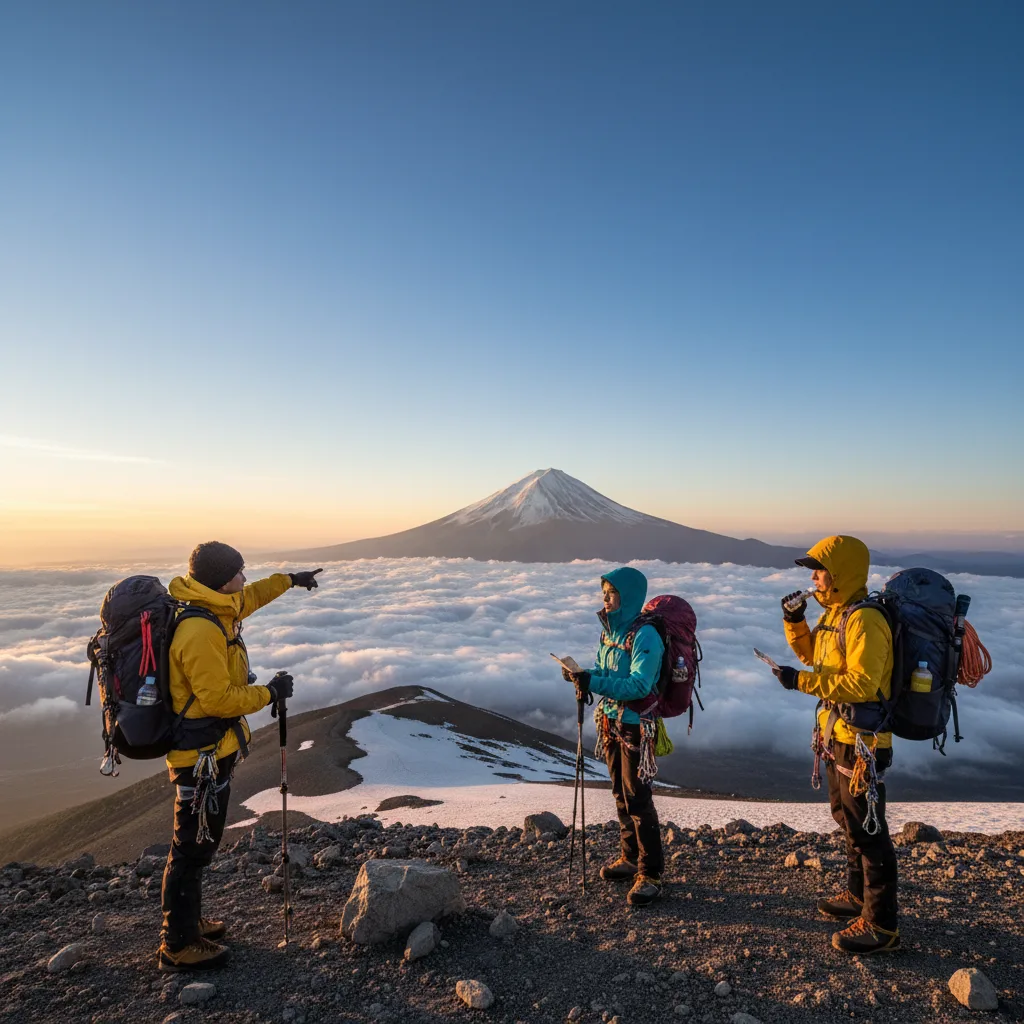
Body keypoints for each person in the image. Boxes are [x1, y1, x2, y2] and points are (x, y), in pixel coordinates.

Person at [157, 541, 322, 971]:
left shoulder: (217, 606)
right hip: (199, 754)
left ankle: (189, 923)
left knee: (201, 843)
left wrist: (291, 580)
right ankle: (177, 944)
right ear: (221, 578)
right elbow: (216, 699)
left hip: (212, 749)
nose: (245, 578)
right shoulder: (201, 629)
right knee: (191, 847)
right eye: (239, 571)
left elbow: (253, 595)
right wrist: (269, 692)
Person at [774, 535, 900, 955]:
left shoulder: (865, 620)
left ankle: (881, 924)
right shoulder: (835, 616)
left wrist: (799, 682)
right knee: (846, 817)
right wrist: (795, 621)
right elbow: (815, 657)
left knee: (868, 829)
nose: (813, 577)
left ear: (840, 574)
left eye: (819, 570)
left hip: (862, 742)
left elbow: (862, 684)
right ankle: (857, 896)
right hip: (837, 735)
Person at [564, 567, 665, 907]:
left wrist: (594, 683)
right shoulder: (610, 632)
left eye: (611, 592)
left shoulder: (645, 636)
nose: (605, 598)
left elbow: (639, 685)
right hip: (611, 722)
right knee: (620, 794)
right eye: (603, 592)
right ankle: (630, 857)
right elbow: (607, 672)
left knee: (637, 798)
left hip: (635, 725)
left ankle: (651, 873)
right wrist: (585, 675)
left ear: (630, 596)